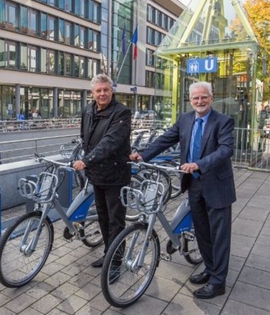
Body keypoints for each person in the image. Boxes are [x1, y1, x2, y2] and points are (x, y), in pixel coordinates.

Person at [130, 81, 236, 299]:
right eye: (195, 98)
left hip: (217, 185)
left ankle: (218, 282)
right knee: (203, 233)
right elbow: (165, 139)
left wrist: (200, 164)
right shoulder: (185, 119)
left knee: (219, 236)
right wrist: (143, 155)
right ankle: (209, 269)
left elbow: (226, 150)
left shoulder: (223, 121)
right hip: (194, 184)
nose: (199, 101)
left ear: (211, 97)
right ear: (190, 100)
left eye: (203, 97)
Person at [72, 74, 131, 276]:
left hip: (116, 175)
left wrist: (87, 160)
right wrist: (85, 159)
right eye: (98, 90)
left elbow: (111, 141)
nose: (102, 93)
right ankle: (108, 253)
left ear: (111, 91)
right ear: (93, 93)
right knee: (103, 218)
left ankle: (116, 261)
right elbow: (85, 138)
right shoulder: (88, 110)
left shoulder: (122, 112)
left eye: (106, 89)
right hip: (97, 174)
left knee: (116, 220)